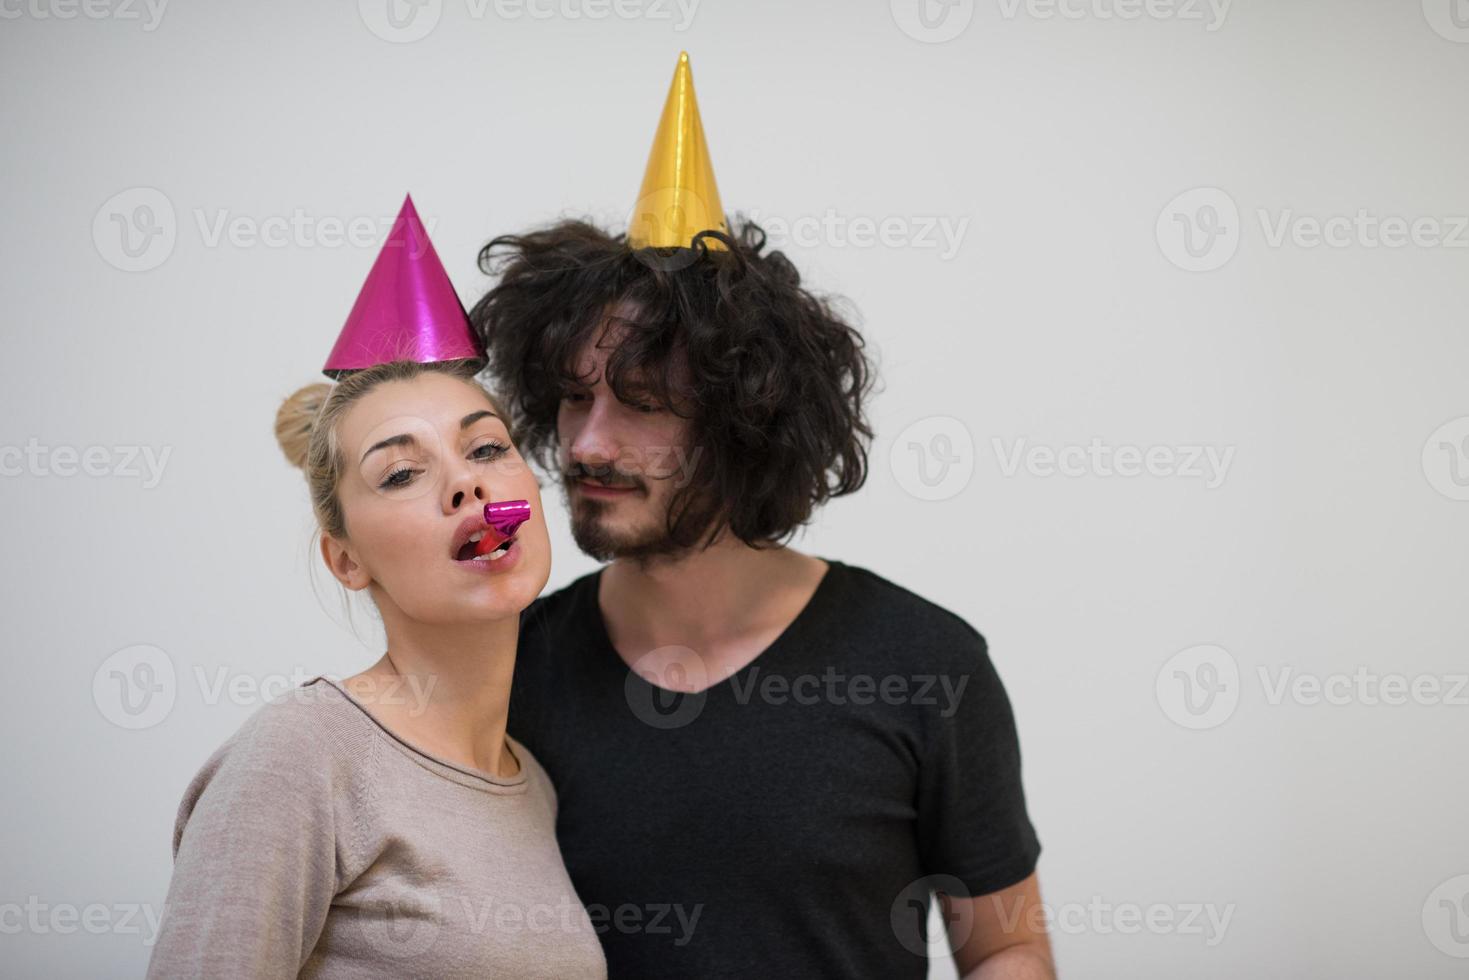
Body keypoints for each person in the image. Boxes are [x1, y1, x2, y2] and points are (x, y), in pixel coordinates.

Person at [468, 54, 1053, 978]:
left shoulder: (924, 666)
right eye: (573, 401)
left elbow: (1007, 946)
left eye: (644, 402)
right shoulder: (506, 675)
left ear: (748, 424)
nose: (586, 444)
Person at [147, 198, 607, 979]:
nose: (464, 482)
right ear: (347, 561)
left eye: (486, 448)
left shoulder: (533, 787)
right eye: (400, 472)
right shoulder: (301, 755)